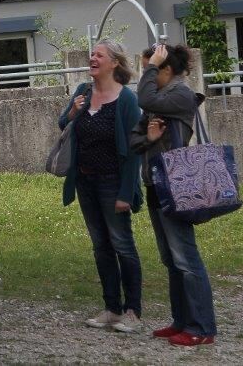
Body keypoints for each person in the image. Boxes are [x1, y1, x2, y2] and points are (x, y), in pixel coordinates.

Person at [131, 43, 218, 346]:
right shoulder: (159, 100)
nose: (147, 75)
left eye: (151, 70)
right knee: (171, 259)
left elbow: (142, 96)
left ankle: (201, 327)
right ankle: (182, 321)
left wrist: (150, 66)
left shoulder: (181, 94)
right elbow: (134, 138)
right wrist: (149, 137)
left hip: (178, 185)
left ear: (166, 70)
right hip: (157, 185)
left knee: (186, 258)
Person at [59, 39, 144, 333]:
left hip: (113, 182)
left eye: (99, 55)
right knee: (101, 247)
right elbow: (62, 123)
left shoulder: (127, 100)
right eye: (91, 54)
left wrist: (125, 193)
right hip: (85, 181)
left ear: (114, 63)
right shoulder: (82, 92)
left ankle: (132, 312)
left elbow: (135, 150)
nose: (92, 58)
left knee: (123, 245)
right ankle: (111, 308)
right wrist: (72, 113)